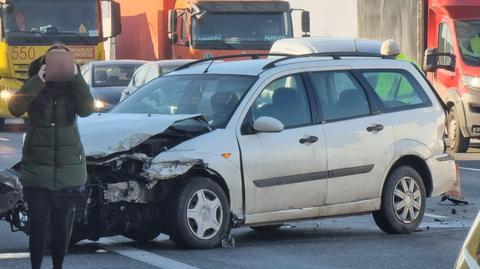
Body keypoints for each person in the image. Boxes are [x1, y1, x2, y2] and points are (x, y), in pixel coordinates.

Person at [8, 44, 94, 269]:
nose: (59, 67)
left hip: (69, 170)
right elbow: (15, 108)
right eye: (54, 62)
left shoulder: (74, 87)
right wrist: (38, 80)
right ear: (45, 63)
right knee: (38, 226)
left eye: (63, 62)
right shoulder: (36, 84)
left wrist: (76, 77)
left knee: (62, 227)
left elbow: (87, 109)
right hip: (37, 169)